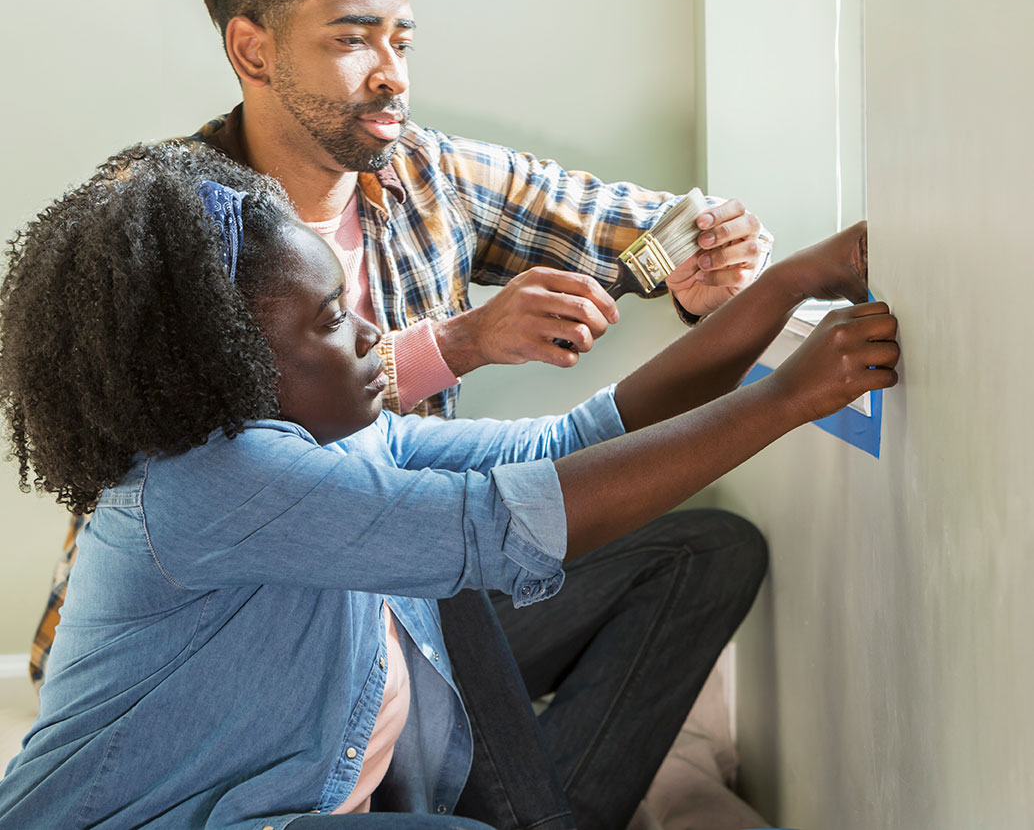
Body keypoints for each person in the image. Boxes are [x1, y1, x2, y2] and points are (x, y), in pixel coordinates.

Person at [0, 143, 897, 830]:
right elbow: (510, 526)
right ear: (228, 368)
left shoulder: (343, 445)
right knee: (471, 547)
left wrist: (786, 285)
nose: (365, 333)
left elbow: (575, 438)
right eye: (325, 321)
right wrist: (788, 398)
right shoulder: (218, 478)